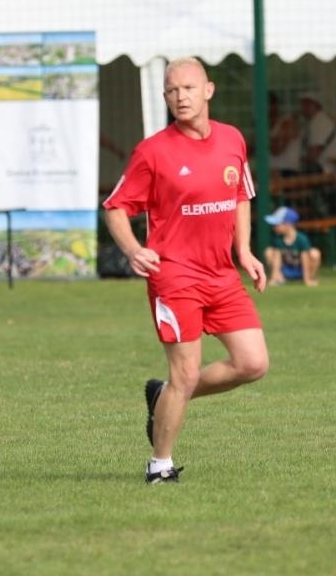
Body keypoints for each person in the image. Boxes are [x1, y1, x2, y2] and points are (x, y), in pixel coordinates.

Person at [103, 56, 270, 484]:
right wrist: (133, 249)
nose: (181, 97)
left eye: (189, 88)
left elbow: (240, 196)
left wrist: (245, 251)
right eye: (172, 91)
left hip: (221, 274)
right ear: (165, 97)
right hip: (175, 276)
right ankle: (160, 465)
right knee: (186, 371)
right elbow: (116, 207)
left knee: (253, 363)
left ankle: (164, 397)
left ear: (208, 90)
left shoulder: (232, 139)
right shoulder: (153, 151)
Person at [263, 206, 322, 287]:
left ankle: (309, 277)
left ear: (288, 224)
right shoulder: (278, 239)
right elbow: (277, 259)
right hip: (286, 271)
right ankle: (279, 278)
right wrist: (274, 278)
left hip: (300, 271)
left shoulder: (301, 239)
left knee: (315, 253)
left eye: (277, 224)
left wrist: (307, 279)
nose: (274, 227)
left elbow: (305, 259)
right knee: (269, 251)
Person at [299, 94, 336, 174]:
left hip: (328, 169)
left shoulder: (320, 121)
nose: (302, 108)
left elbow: (314, 153)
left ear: (314, 105)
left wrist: (297, 160)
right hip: (325, 168)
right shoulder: (317, 120)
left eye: (306, 104)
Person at [267, 92, 302, 178]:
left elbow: (276, 149)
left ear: (274, 106)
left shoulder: (286, 123)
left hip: (287, 172)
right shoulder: (268, 126)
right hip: (272, 171)